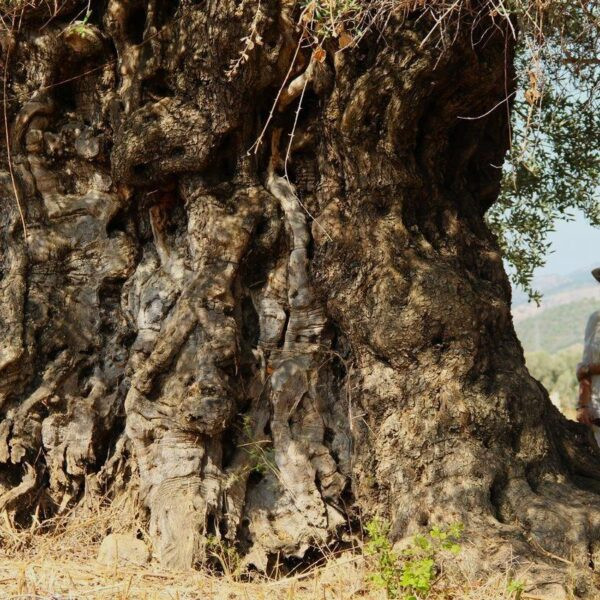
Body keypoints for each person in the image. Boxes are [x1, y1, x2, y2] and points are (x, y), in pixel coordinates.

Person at [576, 268, 600, 445]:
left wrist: (589, 368)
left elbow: (586, 368)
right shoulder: (595, 320)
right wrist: (583, 406)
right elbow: (584, 366)